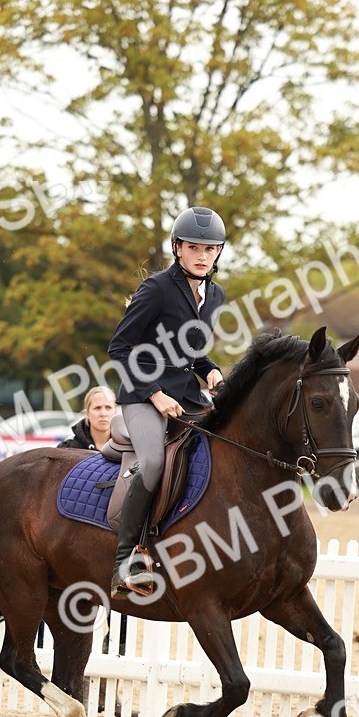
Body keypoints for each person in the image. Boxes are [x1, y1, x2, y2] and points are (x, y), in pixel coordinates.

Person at [107, 206, 227, 597]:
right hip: (143, 394)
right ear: (177, 248)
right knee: (154, 461)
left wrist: (209, 370)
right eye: (194, 247)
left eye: (210, 249)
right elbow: (120, 348)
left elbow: (192, 352)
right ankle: (125, 560)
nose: (202, 255)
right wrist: (155, 394)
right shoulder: (157, 288)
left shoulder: (215, 295)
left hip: (188, 397)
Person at [58, 386, 117, 451]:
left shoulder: (127, 448)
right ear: (87, 413)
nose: (103, 414)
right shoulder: (67, 449)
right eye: (97, 408)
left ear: (115, 411)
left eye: (108, 407)